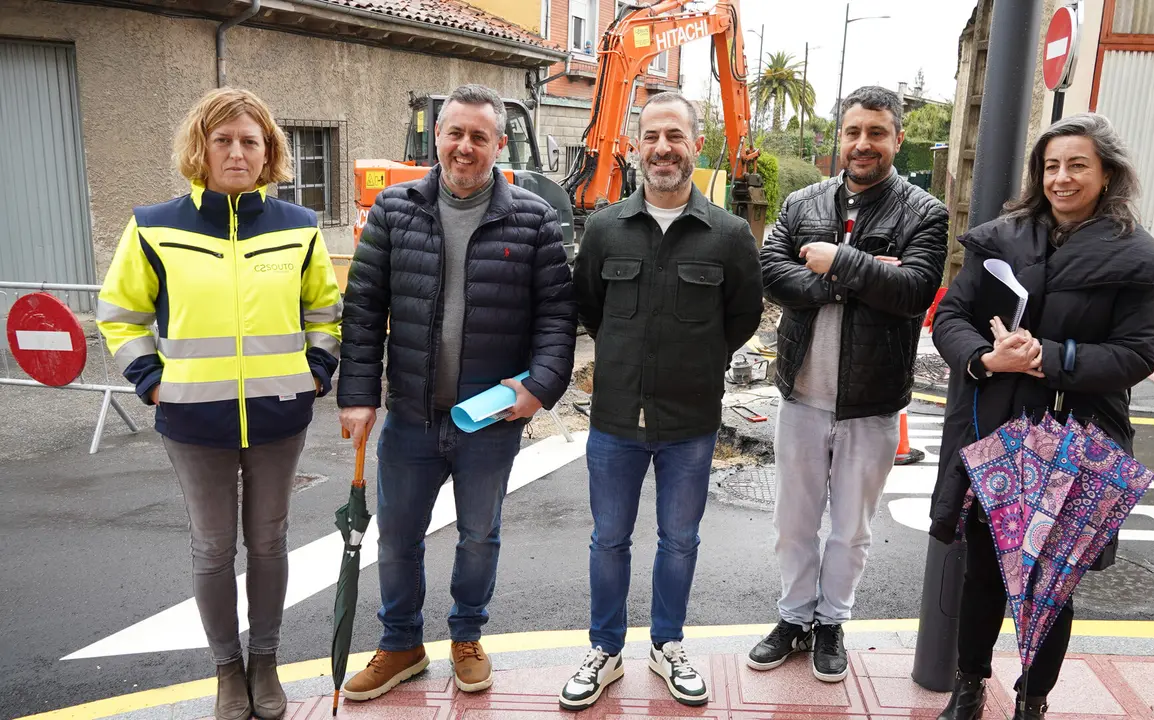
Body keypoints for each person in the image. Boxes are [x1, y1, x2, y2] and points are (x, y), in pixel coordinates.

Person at [96, 88, 342, 720]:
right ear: (199, 149)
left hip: (279, 416)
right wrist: (149, 378)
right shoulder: (155, 225)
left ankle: (265, 663)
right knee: (212, 548)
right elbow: (120, 314)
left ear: (269, 155)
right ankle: (227, 671)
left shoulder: (298, 227)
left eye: (250, 141)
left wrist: (317, 369)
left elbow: (323, 308)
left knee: (268, 542)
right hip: (192, 417)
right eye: (223, 139)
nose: (237, 152)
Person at [929, 113, 1154, 720]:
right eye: (1052, 166)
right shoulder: (998, 240)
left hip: (1078, 442)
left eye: (1077, 165)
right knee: (982, 570)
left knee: (1053, 584)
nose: (1061, 178)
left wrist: (1050, 358)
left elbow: (1137, 353)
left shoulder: (1137, 257)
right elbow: (949, 319)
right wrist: (986, 358)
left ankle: (1032, 700)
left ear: (1107, 173)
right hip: (998, 433)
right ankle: (968, 686)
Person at [338, 84, 576, 700]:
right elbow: (363, 309)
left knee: (478, 536)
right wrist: (358, 394)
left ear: (499, 144)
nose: (465, 147)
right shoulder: (394, 211)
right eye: (455, 133)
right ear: (437, 137)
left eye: (478, 136)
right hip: (411, 417)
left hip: (489, 421)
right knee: (397, 537)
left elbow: (556, 316)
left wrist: (539, 387)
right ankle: (400, 644)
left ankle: (466, 635)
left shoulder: (533, 219)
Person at [558, 91, 763, 711]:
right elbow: (591, 309)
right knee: (608, 540)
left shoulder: (727, 235)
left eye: (675, 136)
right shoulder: (604, 227)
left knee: (680, 541)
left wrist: (694, 362)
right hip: (616, 418)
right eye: (651, 137)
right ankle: (606, 651)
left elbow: (744, 317)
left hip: (691, 422)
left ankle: (668, 645)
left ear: (696, 145)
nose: (663, 148)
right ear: (634, 145)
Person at [751, 86, 948, 682]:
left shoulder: (925, 213)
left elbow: (914, 291)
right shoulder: (802, 201)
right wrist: (858, 276)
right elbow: (771, 273)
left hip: (872, 402)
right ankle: (793, 618)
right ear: (840, 136)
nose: (863, 144)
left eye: (877, 133)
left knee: (851, 528)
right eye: (853, 131)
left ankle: (831, 622)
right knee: (794, 519)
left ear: (896, 138)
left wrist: (835, 261)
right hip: (800, 394)